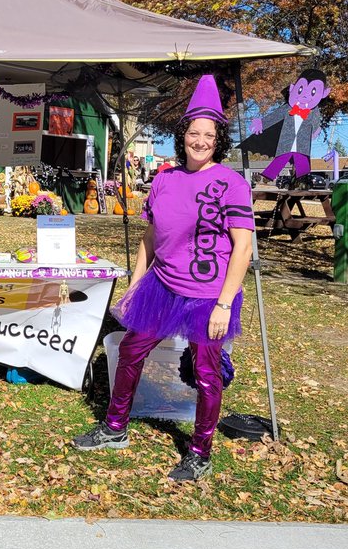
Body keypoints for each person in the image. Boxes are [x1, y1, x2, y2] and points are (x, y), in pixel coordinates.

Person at [73, 74, 254, 481]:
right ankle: (115, 428)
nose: (201, 140)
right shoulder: (165, 179)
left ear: (218, 139)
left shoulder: (231, 183)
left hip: (210, 294)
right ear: (183, 135)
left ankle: (200, 452)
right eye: (194, 132)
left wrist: (225, 303)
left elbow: (242, 249)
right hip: (162, 287)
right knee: (132, 353)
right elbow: (149, 239)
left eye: (209, 134)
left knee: (206, 374)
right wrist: (136, 286)